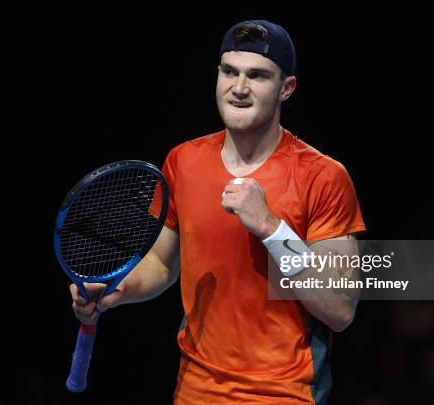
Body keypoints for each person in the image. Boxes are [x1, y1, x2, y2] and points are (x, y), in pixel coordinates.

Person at [70, 19, 366, 404]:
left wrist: (272, 228)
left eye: (257, 76)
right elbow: (162, 262)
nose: (239, 88)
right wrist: (115, 290)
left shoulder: (324, 176)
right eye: (230, 71)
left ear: (286, 89)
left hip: (284, 394)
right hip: (195, 390)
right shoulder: (183, 161)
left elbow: (340, 308)